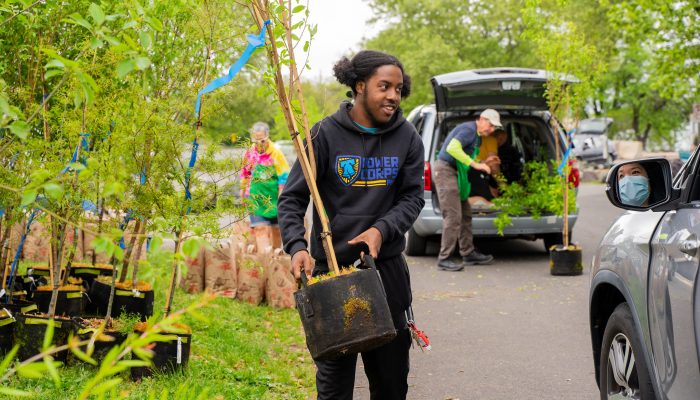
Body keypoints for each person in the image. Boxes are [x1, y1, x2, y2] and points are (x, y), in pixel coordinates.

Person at [278, 50, 424, 400]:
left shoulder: (407, 137)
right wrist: (297, 245)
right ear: (359, 86)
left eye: (398, 89)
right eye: (384, 86)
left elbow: (412, 198)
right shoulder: (324, 135)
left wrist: (380, 230)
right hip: (333, 273)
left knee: (390, 385)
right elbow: (293, 198)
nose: (393, 96)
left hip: (385, 274)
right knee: (334, 388)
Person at [433, 110, 501, 271]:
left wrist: (483, 162)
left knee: (466, 214)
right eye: (490, 125)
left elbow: (464, 157)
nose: (491, 130)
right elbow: (452, 148)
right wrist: (477, 165)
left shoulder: (476, 136)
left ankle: (468, 252)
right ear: (482, 120)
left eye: (493, 128)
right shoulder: (469, 129)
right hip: (446, 171)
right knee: (453, 216)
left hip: (457, 173)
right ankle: (444, 258)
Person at [239, 122, 290, 246]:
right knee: (260, 229)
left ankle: (275, 259)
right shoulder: (250, 153)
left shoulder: (276, 153)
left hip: (273, 199)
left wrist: (281, 197)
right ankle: (264, 258)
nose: (259, 144)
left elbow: (283, 177)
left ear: (267, 137)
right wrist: (242, 192)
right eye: (256, 141)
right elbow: (245, 173)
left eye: (261, 140)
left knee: (276, 231)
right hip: (254, 198)